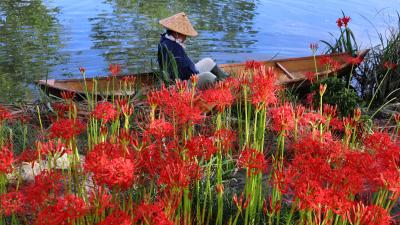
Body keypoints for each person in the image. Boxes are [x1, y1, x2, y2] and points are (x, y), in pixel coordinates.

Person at [157, 12, 229, 89]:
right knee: (208, 76)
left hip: (185, 76)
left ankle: (227, 80)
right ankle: (222, 89)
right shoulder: (174, 48)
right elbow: (187, 74)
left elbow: (185, 67)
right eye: (184, 34)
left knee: (208, 61)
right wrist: (197, 73)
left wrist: (193, 68)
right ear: (176, 33)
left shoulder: (165, 40)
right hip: (180, 85)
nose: (185, 37)